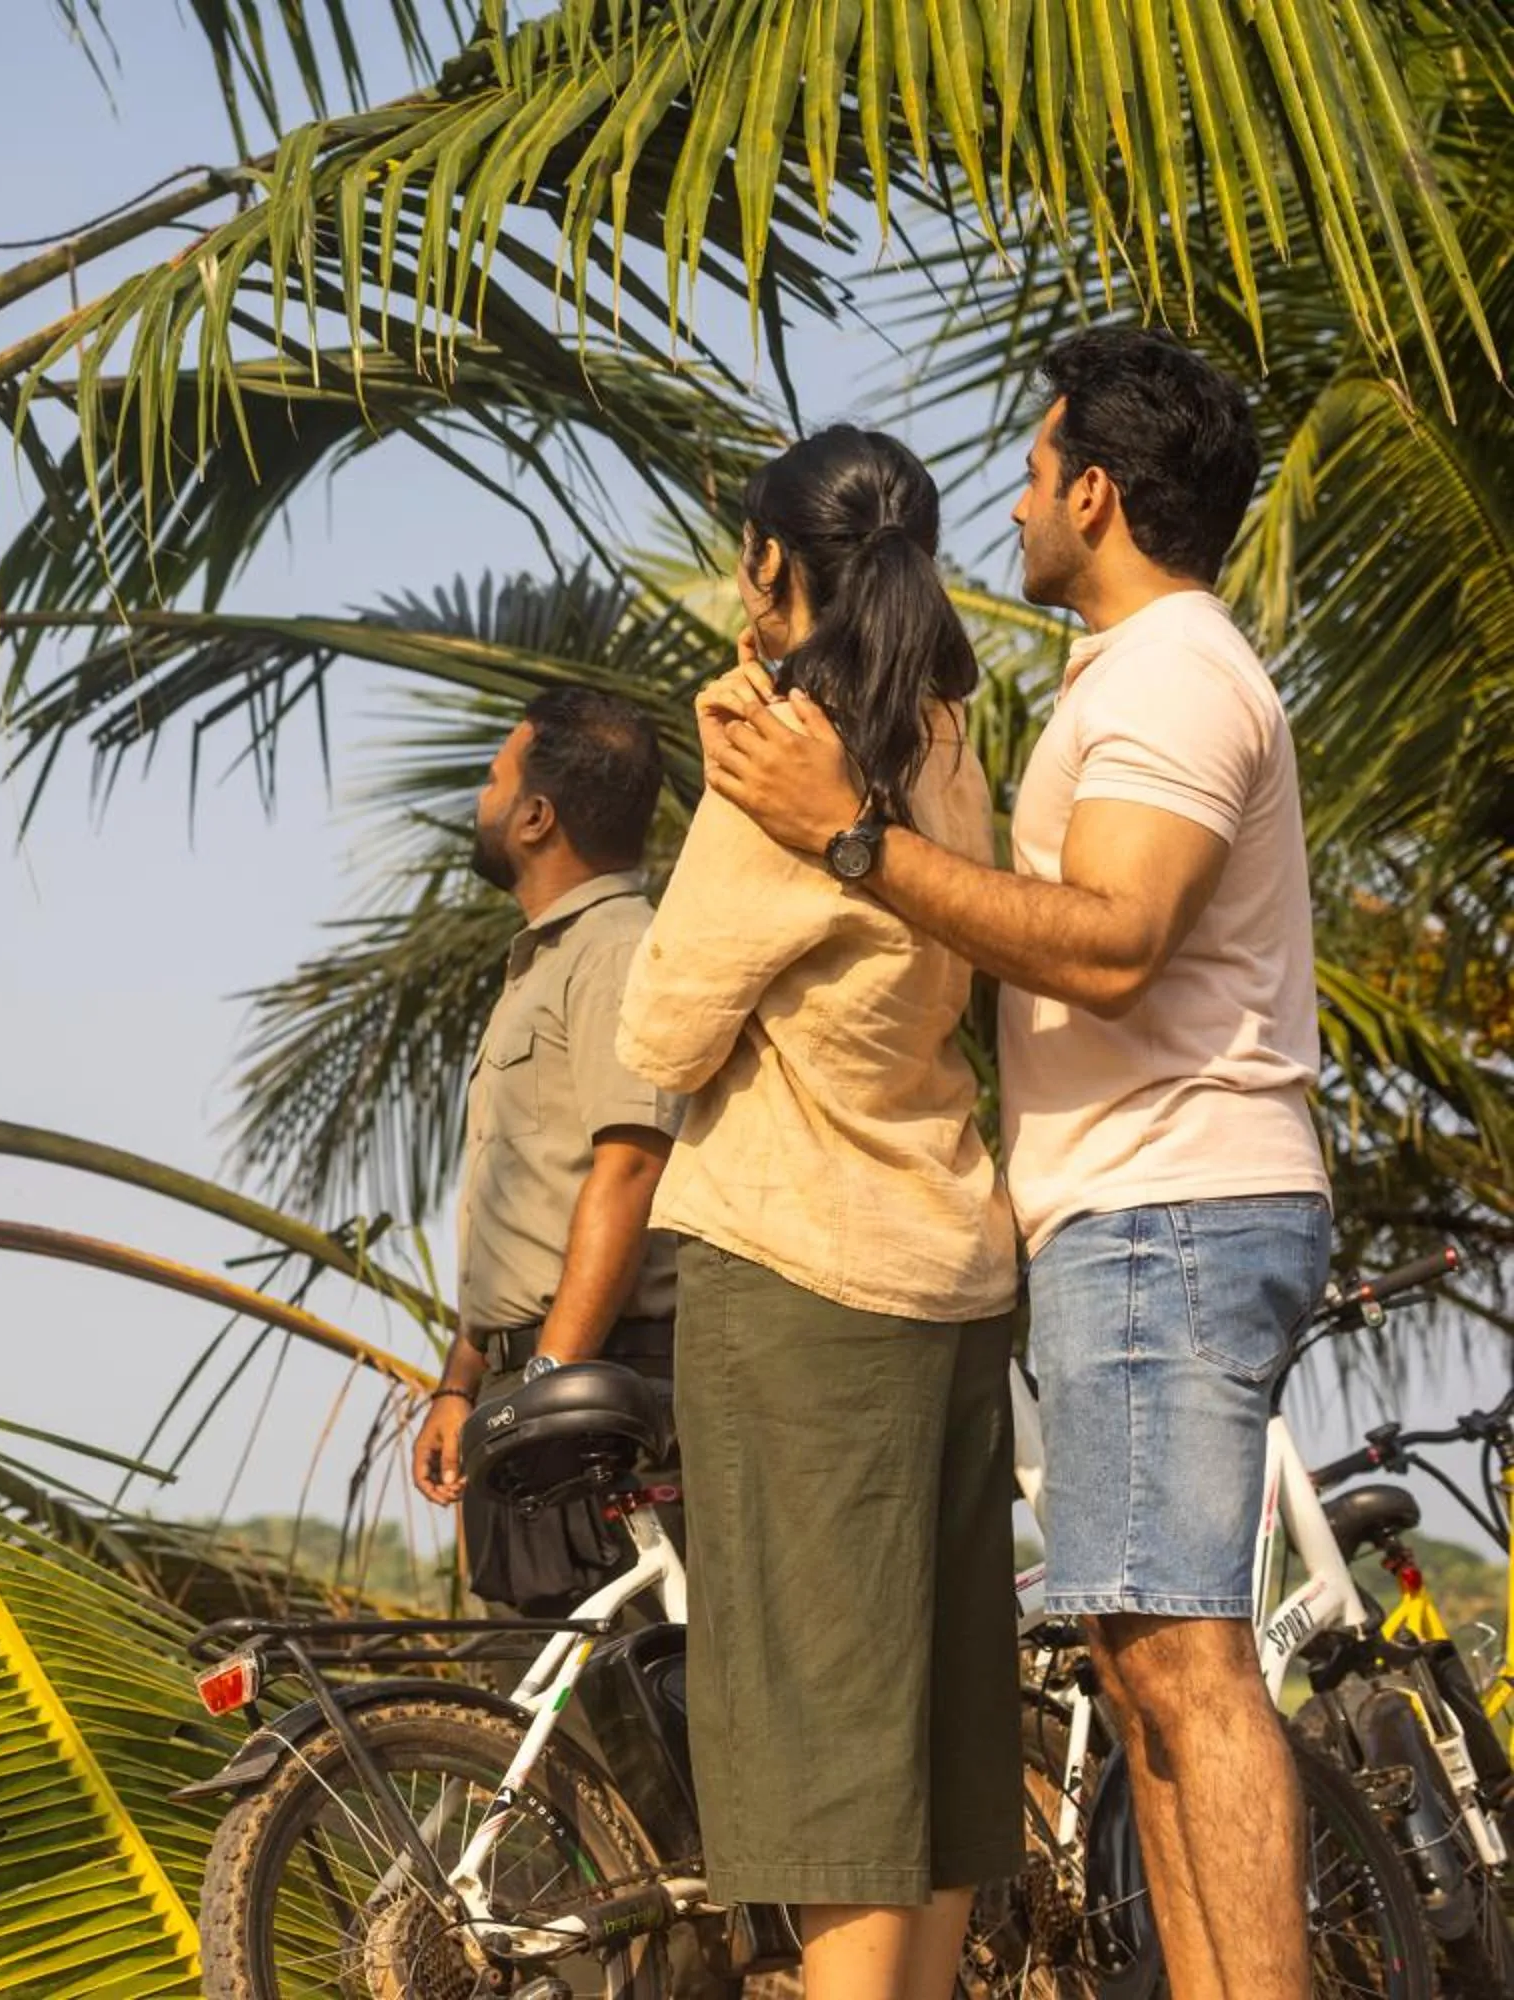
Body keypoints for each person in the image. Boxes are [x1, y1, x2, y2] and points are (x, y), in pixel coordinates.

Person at [698, 331, 1321, 2000]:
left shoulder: (1177, 678)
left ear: (1099, 493)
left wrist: (853, 838)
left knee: (1186, 1663)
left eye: (1040, 472)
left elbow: (1114, 944)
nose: (1019, 503)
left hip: (1173, 1206)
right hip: (1142, 1213)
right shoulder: (1140, 681)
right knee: (1143, 1667)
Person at [617, 427, 1022, 2000]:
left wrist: (743, 712)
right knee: (929, 1771)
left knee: (837, 1782)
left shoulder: (786, 765)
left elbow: (659, 1030)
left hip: (805, 1287)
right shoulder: (941, 743)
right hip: (952, 1276)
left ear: (775, 564)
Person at [411, 688, 685, 1615]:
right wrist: (463, 1381)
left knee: (645, 1720)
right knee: (554, 1720)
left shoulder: (617, 950)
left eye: (494, 779)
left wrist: (548, 1390)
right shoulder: (543, 962)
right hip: (530, 1380)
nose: (481, 800)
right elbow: (517, 1208)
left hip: (597, 1383)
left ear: (536, 816)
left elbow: (630, 1167)